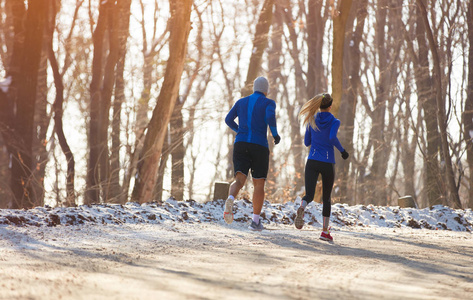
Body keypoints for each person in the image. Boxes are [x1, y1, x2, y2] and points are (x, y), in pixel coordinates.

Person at [223, 76, 280, 231]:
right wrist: (274, 134)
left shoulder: (241, 102)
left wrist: (240, 131)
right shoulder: (269, 103)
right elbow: (270, 117)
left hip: (240, 144)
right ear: (266, 90)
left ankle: (230, 199)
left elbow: (228, 119)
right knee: (258, 183)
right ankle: (255, 222)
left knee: (239, 180)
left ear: (254, 88)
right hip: (259, 145)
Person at [295, 93, 349, 241]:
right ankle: (325, 231)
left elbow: (307, 142)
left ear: (319, 105)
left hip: (312, 160)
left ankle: (302, 207)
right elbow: (332, 137)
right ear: (330, 106)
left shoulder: (311, 119)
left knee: (309, 195)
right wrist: (343, 151)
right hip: (327, 162)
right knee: (326, 198)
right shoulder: (334, 121)